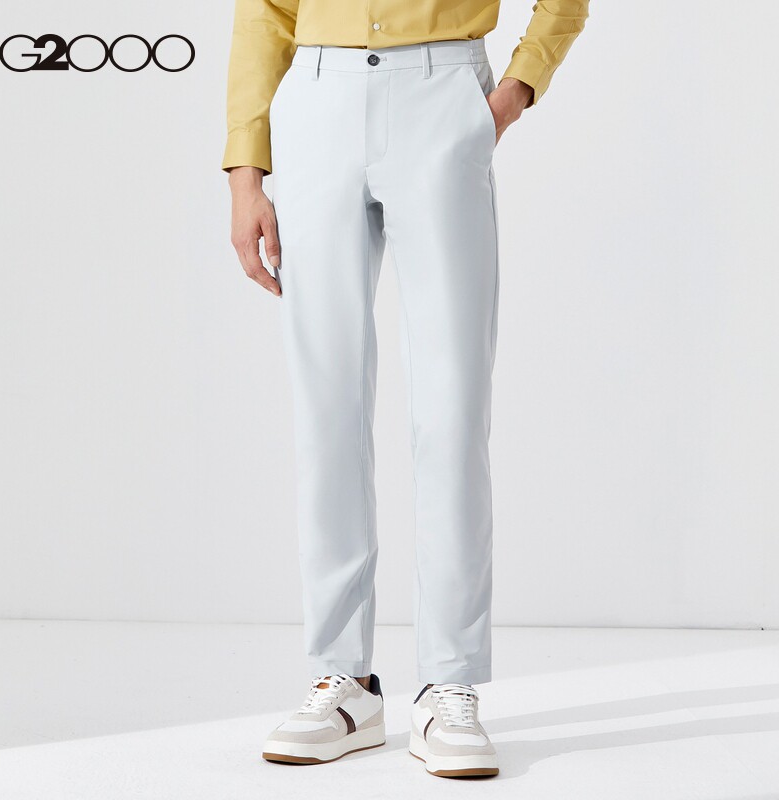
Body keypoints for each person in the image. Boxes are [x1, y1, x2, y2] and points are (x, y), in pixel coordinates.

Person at [223, 0, 589, 779]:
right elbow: (263, 11)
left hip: (443, 90)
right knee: (326, 407)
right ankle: (343, 681)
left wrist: (513, 92)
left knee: (452, 409)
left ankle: (449, 682)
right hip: (315, 98)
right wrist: (245, 171)